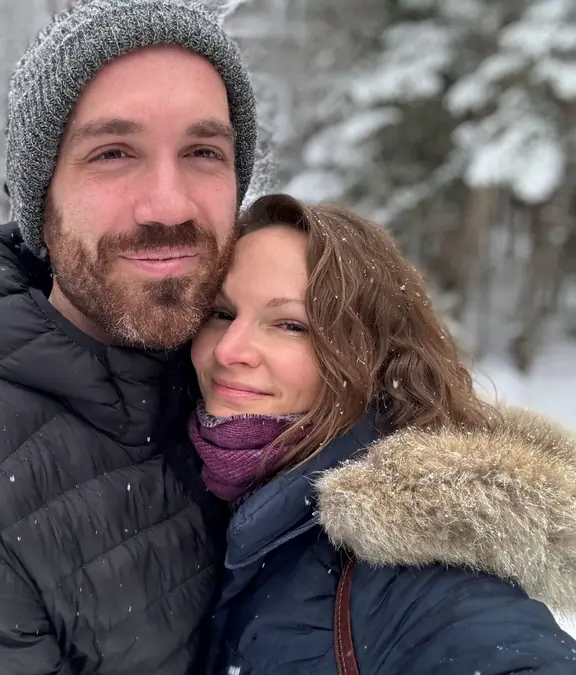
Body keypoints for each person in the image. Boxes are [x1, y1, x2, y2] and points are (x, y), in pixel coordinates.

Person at [0, 1, 257, 674]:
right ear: (41, 197)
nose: (169, 204)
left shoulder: (266, 377)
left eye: (203, 151)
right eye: (113, 152)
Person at [189, 192, 576, 674]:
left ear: (368, 355)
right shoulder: (182, 480)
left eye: (290, 325)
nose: (229, 350)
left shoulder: (412, 565)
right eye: (222, 314)